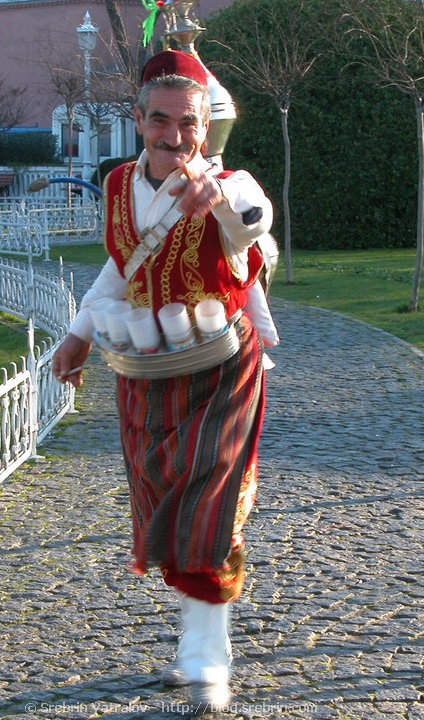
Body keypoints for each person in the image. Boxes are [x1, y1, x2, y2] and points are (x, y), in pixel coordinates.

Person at [52, 49, 273, 713]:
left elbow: (255, 223)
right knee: (164, 504)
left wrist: (222, 202)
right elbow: (120, 270)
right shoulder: (119, 185)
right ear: (139, 120)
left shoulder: (231, 182)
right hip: (146, 373)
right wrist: (78, 334)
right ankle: (195, 646)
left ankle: (208, 659)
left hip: (224, 369)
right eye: (161, 122)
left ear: (207, 127)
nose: (175, 137)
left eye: (189, 125)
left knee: (210, 505)